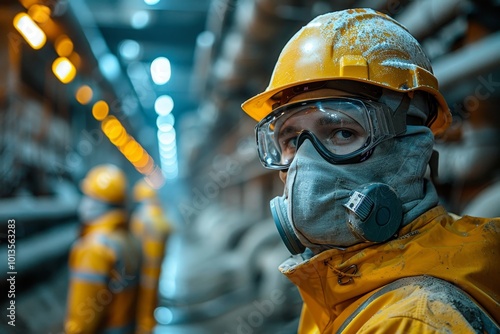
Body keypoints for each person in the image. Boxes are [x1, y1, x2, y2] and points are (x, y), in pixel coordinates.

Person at [241, 8, 500, 333]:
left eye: (342, 133)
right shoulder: (334, 285)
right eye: (292, 139)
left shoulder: (414, 322)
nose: (306, 164)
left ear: (412, 146)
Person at [64, 164, 141, 334]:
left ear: (99, 203)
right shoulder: (130, 240)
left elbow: (83, 322)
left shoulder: (93, 248)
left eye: (88, 196)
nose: (84, 202)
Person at [130, 178, 173, 334]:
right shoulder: (161, 214)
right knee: (152, 299)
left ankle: (145, 328)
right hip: (157, 265)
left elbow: (134, 242)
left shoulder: (141, 217)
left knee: (144, 304)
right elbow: (170, 231)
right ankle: (149, 325)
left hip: (144, 267)